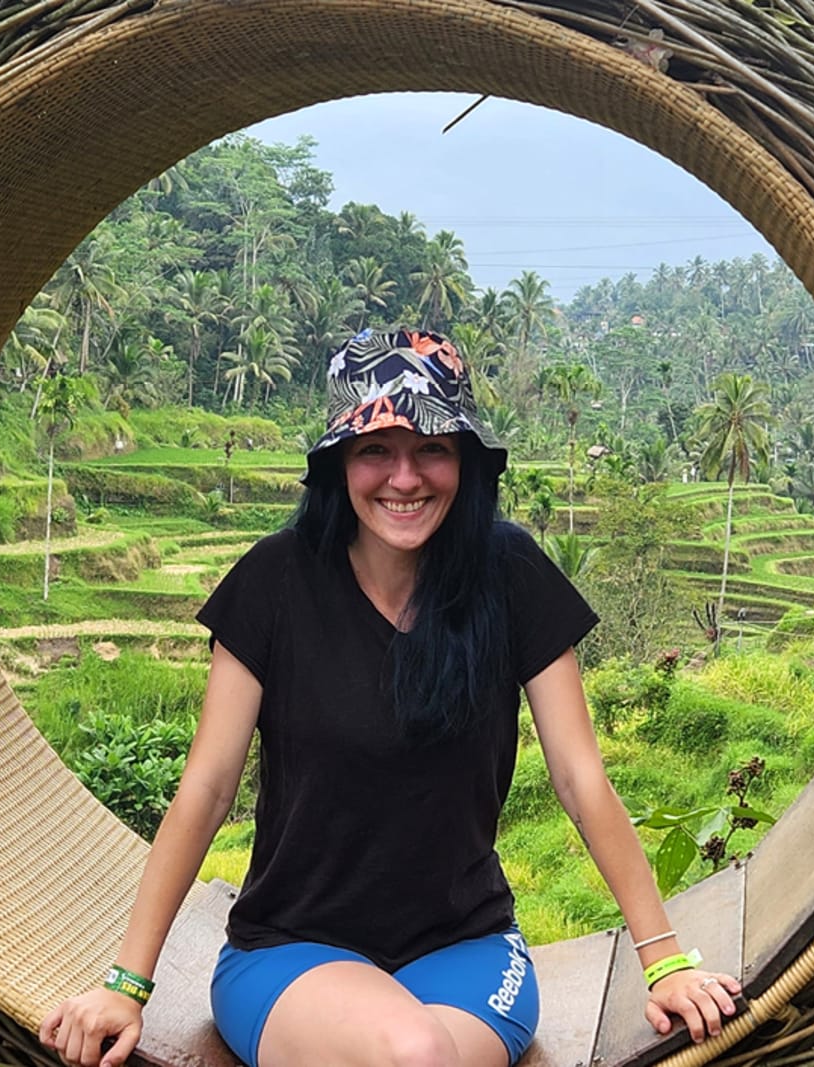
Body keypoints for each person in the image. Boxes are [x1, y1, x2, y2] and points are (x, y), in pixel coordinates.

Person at [39, 329, 741, 1067]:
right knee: (413, 1052)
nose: (404, 477)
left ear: (464, 461)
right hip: (288, 952)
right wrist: (126, 982)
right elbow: (208, 788)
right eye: (376, 449)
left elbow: (579, 777)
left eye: (431, 447)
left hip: (469, 952)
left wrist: (663, 960)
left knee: (417, 1054)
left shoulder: (510, 574)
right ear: (339, 461)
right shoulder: (276, 580)